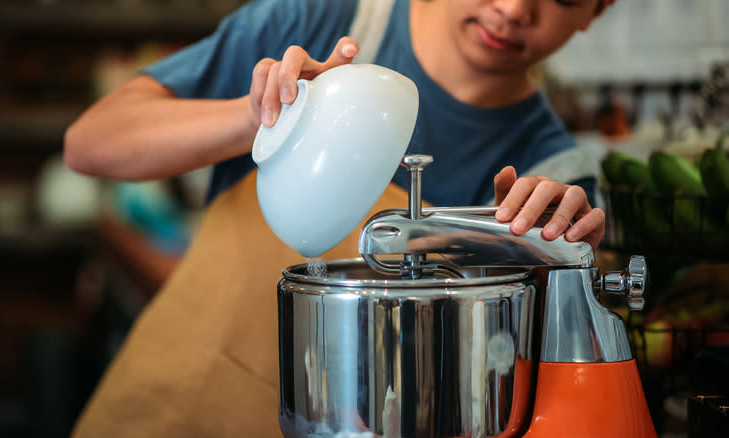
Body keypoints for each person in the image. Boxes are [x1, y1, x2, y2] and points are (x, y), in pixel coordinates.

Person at [64, 0, 614, 436]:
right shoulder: (315, 22)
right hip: (173, 413)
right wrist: (260, 117)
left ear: (600, 8)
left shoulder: (552, 175)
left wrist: (556, 259)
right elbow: (88, 145)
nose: (516, 8)